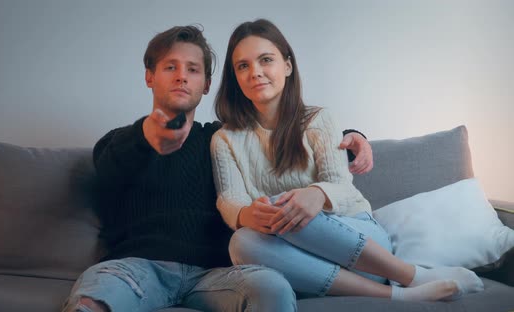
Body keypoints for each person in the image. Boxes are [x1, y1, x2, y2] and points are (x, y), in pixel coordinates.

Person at [63, 24, 373, 312]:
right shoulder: (118, 141)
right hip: (137, 268)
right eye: (171, 67)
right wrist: (148, 135)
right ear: (149, 77)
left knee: (272, 286)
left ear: (207, 84)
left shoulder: (223, 139)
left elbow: (285, 137)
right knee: (94, 297)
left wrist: (352, 137)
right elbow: (108, 173)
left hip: (220, 274)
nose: (182, 76)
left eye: (193, 69)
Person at [211, 19, 485, 303]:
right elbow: (230, 199)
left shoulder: (318, 120)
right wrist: (245, 216)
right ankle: (399, 296)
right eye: (243, 66)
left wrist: (317, 194)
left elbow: (341, 184)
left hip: (363, 247)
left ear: (288, 66)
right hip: (300, 265)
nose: (255, 72)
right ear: (235, 77)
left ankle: (411, 275)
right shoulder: (225, 139)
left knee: (285, 203)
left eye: (265, 60)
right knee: (242, 242)